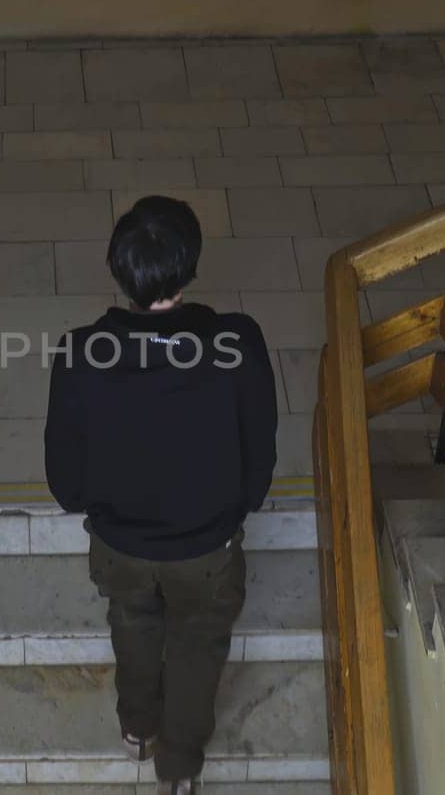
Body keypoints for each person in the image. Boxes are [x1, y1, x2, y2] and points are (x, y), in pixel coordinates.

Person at [43, 195, 278, 795]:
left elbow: (66, 487)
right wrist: (239, 506)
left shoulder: (79, 354)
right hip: (208, 548)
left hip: (120, 545)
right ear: (189, 266)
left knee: (132, 622)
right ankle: (179, 767)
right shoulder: (239, 342)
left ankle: (137, 723)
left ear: (119, 271)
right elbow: (260, 451)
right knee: (199, 647)